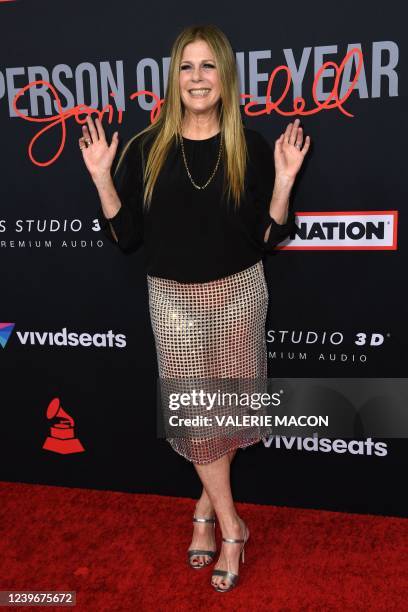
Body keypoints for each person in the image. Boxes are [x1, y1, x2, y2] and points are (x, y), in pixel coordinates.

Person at [79, 24, 310, 593]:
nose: (198, 78)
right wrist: (102, 178)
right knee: (197, 419)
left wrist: (282, 181)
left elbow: (267, 235)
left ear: (225, 77)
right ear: (173, 77)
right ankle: (234, 527)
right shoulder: (145, 147)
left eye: (209, 67)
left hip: (239, 295)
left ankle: (204, 512)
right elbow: (126, 237)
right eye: (187, 67)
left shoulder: (249, 147)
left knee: (226, 414)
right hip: (173, 301)